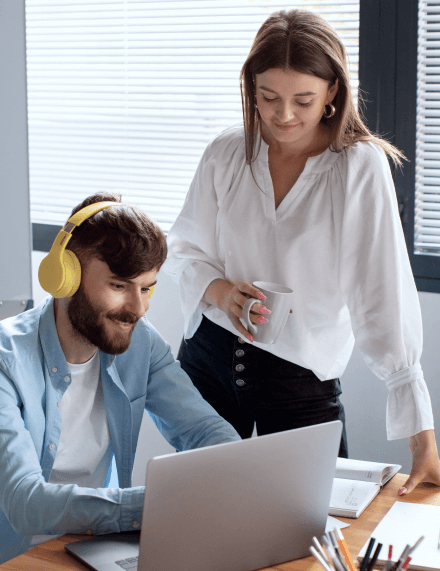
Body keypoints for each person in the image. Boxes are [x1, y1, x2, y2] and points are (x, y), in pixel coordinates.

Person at [163, 9, 440, 494]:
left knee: (311, 526)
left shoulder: (357, 168)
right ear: (251, 87)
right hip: (208, 362)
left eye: (303, 100)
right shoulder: (226, 152)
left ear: (332, 91)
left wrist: (422, 442)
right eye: (268, 96)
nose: (283, 115)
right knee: (201, 515)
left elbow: (383, 298)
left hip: (300, 386)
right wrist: (222, 291)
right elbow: (184, 249)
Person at [0, 193, 240, 564]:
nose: (138, 309)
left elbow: (205, 431)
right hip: (18, 556)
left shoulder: (142, 343)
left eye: (146, 288)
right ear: (65, 277)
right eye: (118, 286)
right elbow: (25, 502)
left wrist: (236, 471)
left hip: (93, 544)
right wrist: (159, 503)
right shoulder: (7, 361)